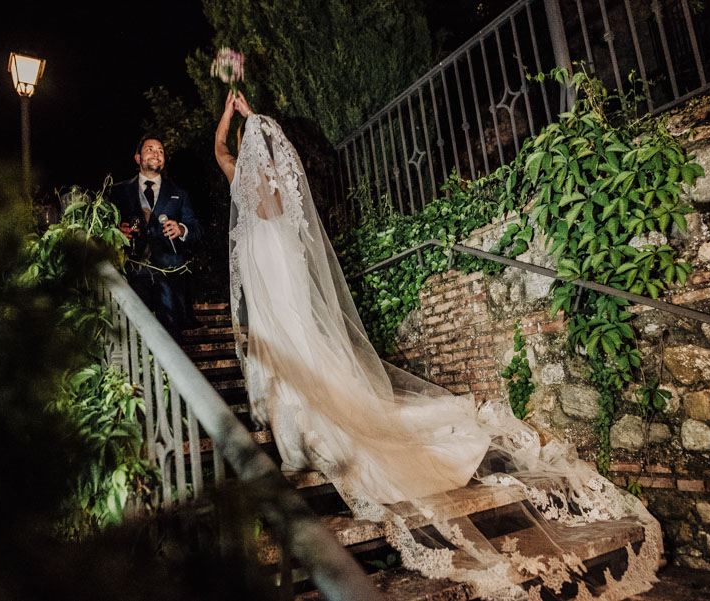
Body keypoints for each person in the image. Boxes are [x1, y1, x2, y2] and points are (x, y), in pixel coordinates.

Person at [215, 92, 662, 600]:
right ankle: (300, 435)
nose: (249, 159)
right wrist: (247, 119)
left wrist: (234, 120)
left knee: (304, 380)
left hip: (286, 324)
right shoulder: (269, 196)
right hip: (285, 324)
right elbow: (229, 158)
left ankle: (301, 439)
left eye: (253, 152)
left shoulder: (256, 199)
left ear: (261, 161)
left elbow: (222, 155)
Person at [110, 133, 201, 343]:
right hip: (132, 274)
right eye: (150, 149)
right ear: (138, 158)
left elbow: (197, 230)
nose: (156, 154)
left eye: (161, 151)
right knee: (133, 335)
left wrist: (182, 229)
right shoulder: (118, 191)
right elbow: (104, 229)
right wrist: (117, 232)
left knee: (171, 338)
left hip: (169, 275)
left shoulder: (180, 194)